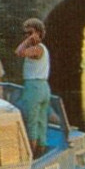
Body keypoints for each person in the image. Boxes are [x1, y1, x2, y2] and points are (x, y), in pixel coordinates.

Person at [16, 17, 52, 157]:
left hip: (34, 87)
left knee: (32, 125)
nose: (26, 36)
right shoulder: (43, 49)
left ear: (38, 33)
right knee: (41, 125)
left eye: (29, 32)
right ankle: (40, 156)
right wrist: (30, 38)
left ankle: (31, 158)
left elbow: (18, 52)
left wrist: (28, 40)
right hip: (44, 87)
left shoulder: (37, 49)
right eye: (25, 33)